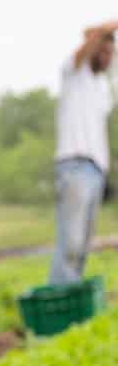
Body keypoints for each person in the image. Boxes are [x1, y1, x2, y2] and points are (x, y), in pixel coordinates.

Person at [49, 20, 117, 285]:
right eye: (103, 52)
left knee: (84, 245)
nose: (108, 58)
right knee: (71, 242)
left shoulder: (102, 88)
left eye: (111, 54)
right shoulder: (74, 73)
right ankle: (59, 297)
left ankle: (72, 296)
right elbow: (91, 35)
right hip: (74, 165)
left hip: (96, 170)